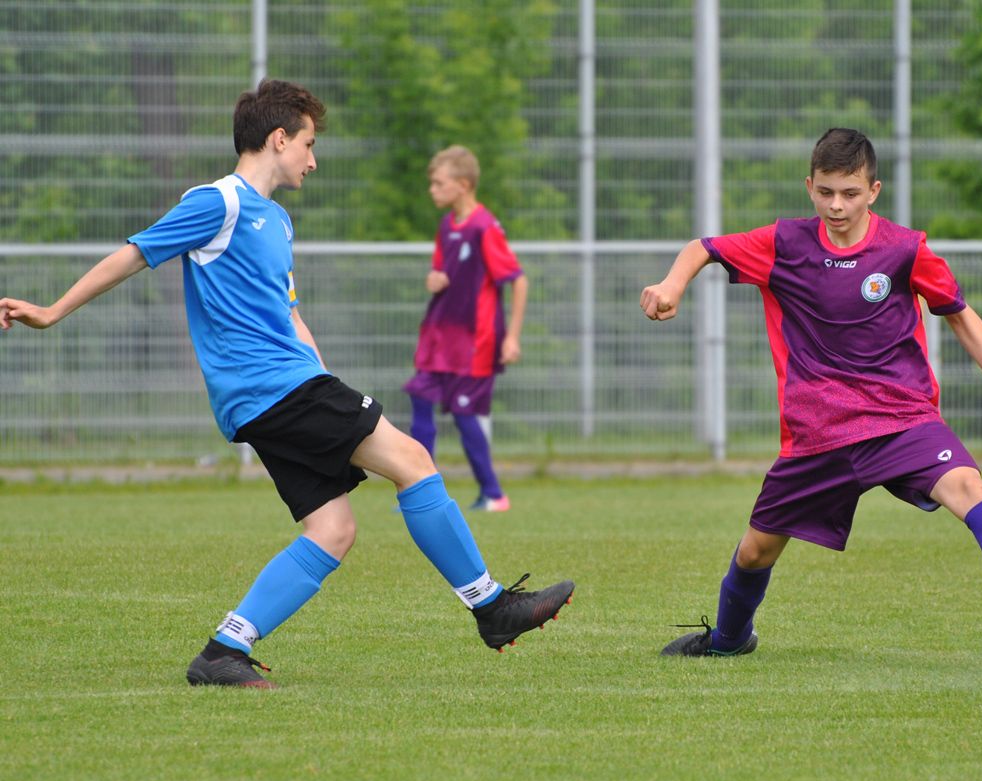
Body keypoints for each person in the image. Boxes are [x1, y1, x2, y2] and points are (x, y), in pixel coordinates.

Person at [0, 79, 573, 688]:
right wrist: (51, 311)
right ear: (279, 139)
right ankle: (491, 607)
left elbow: (290, 314)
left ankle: (223, 651)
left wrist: (323, 375)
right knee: (413, 460)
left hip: (283, 389)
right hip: (270, 387)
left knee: (333, 530)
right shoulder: (218, 202)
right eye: (308, 143)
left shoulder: (276, 220)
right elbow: (136, 253)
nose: (312, 159)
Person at [640, 128, 982, 659]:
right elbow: (703, 248)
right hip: (818, 433)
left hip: (900, 419)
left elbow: (957, 312)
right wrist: (672, 285)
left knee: (969, 488)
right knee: (756, 551)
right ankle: (728, 641)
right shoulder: (785, 243)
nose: (837, 206)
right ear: (810, 187)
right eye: (825, 192)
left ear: (874, 191)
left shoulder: (905, 249)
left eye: (850, 193)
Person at [403, 145, 527, 512]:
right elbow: (440, 270)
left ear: (463, 185)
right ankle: (422, 491)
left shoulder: (484, 227)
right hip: (440, 339)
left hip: (476, 343)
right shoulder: (447, 226)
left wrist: (512, 337)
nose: (432, 190)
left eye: (439, 183)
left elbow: (518, 281)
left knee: (463, 413)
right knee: (420, 396)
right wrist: (434, 279)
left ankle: (493, 494)